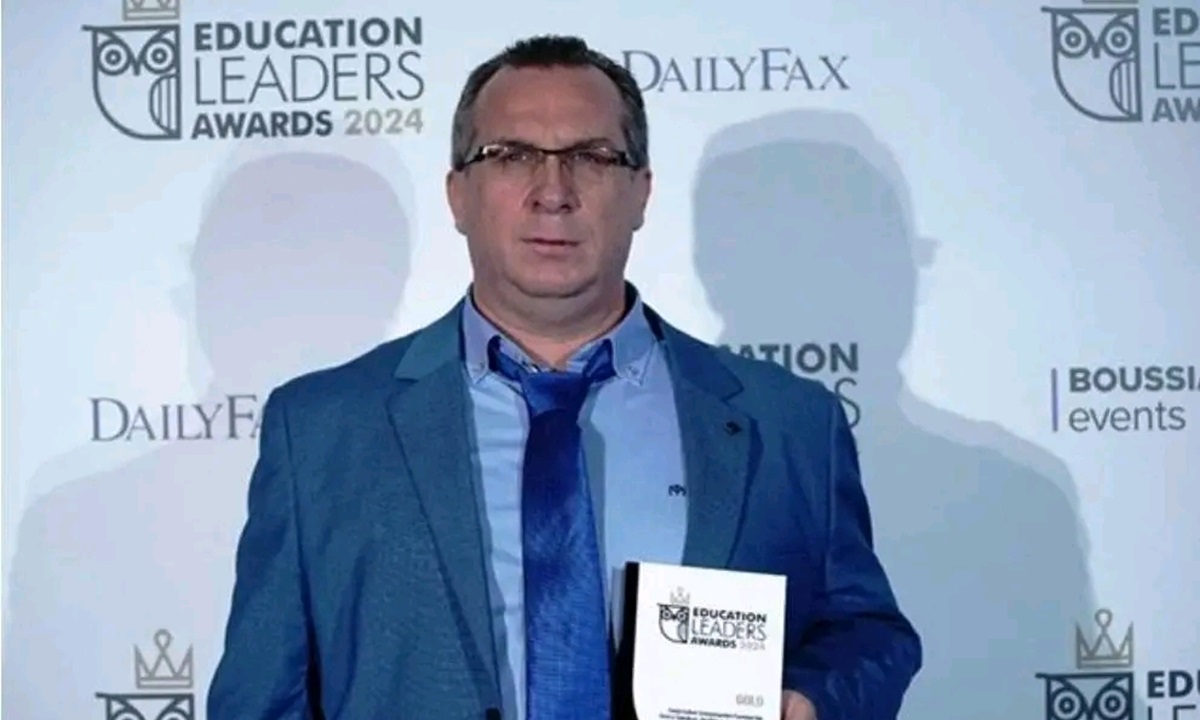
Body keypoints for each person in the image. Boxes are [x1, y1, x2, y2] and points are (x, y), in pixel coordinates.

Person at [207, 34, 921, 720]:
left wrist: (815, 699)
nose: (553, 191)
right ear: (458, 195)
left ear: (641, 192)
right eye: (511, 155)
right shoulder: (321, 429)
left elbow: (865, 633)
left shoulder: (791, 423)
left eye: (592, 156)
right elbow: (259, 699)